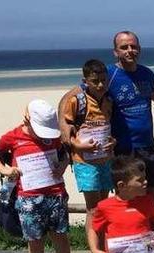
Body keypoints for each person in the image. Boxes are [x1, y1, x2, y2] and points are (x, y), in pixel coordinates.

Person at [0, 99, 81, 253]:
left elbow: (64, 155)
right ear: (27, 119)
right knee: (34, 240)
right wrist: (5, 169)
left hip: (55, 194)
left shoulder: (53, 137)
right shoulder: (13, 136)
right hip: (28, 198)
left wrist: (62, 166)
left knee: (61, 236)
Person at [107, 31, 154, 199]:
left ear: (139, 49)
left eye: (133, 46)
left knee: (153, 191)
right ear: (115, 52)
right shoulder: (108, 75)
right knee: (127, 193)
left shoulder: (147, 73)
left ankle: (150, 225)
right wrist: (65, 124)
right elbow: (75, 96)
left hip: (148, 145)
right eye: (124, 47)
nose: (129, 50)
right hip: (123, 148)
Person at [58, 59, 116, 231]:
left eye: (103, 81)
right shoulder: (76, 101)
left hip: (105, 160)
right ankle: (95, 251)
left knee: (104, 206)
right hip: (85, 163)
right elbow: (66, 133)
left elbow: (109, 128)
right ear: (85, 81)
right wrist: (78, 146)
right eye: (95, 81)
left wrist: (113, 142)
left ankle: (104, 244)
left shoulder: (109, 100)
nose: (100, 85)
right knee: (93, 209)